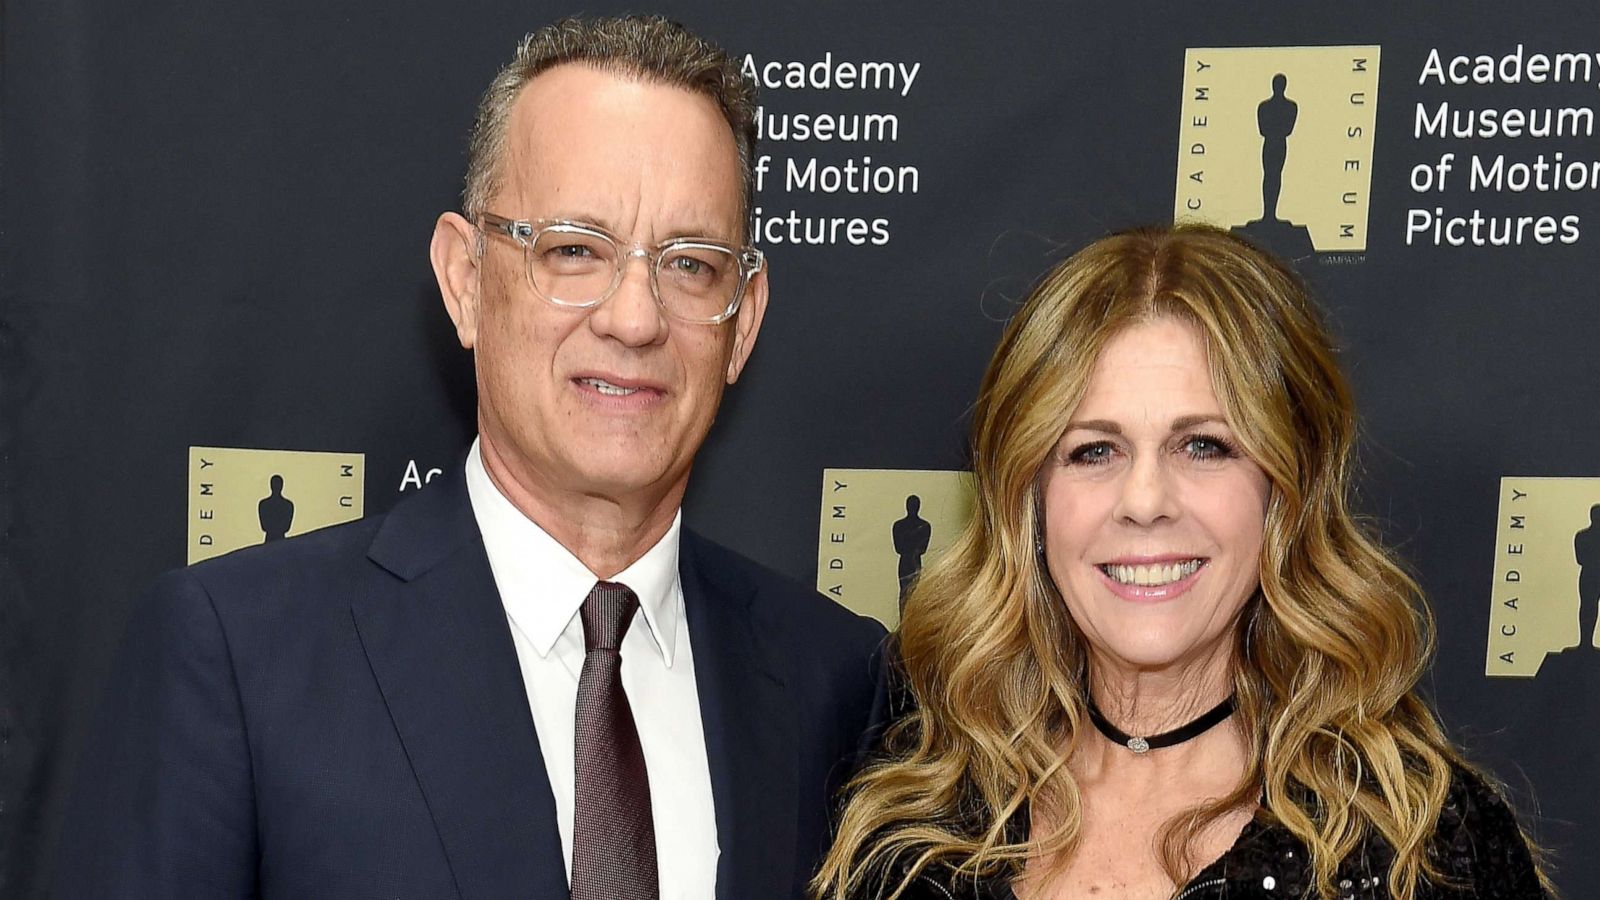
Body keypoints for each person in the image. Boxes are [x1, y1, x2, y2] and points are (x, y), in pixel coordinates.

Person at [54, 16, 884, 900]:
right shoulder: (238, 657)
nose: (634, 319)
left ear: (743, 321)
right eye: (574, 249)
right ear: (465, 281)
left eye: (690, 265)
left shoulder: (832, 681)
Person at [814, 225, 1547, 900]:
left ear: (1285, 491)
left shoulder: (1419, 842)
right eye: (1092, 451)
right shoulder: (916, 832)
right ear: (1027, 504)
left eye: (1204, 446)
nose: (1144, 500)